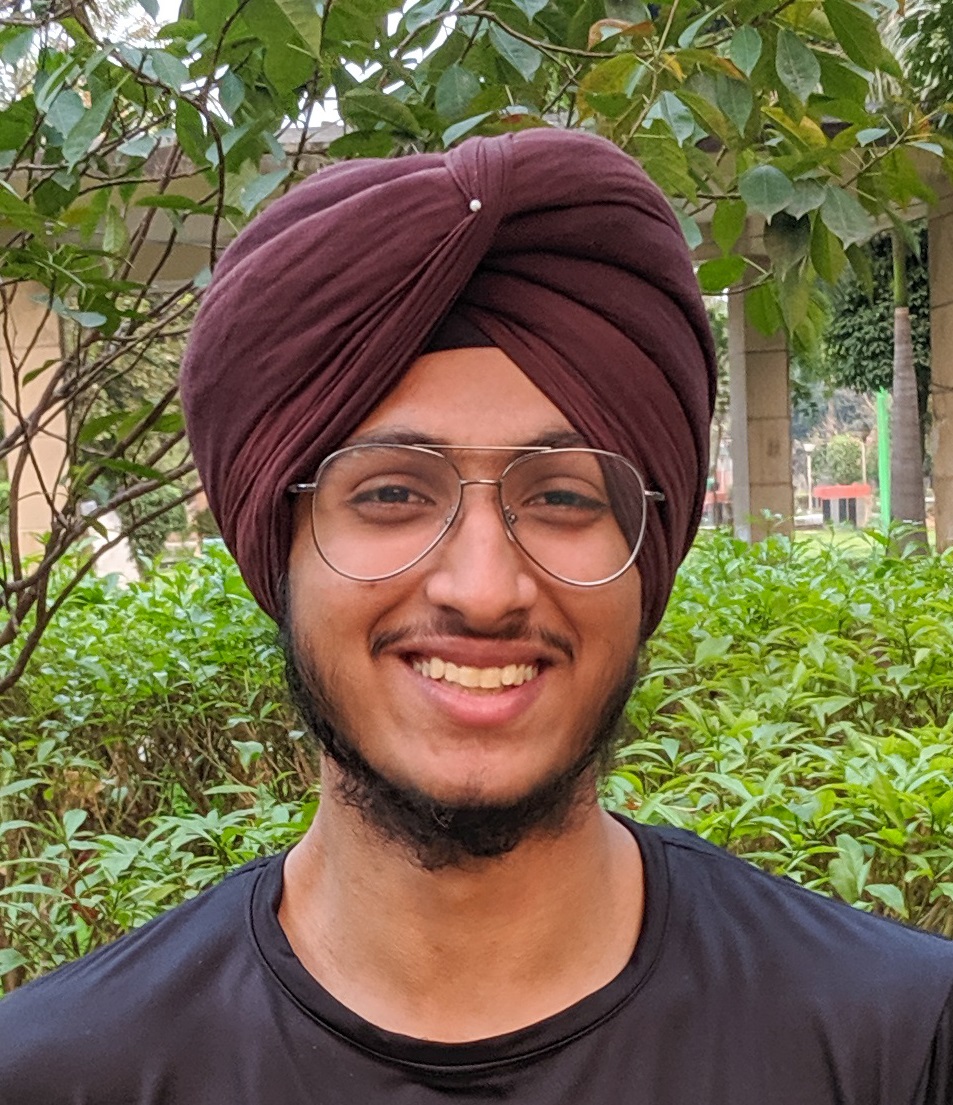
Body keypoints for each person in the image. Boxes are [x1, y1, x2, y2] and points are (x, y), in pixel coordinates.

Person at [1, 127, 951, 1105]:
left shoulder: (897, 1043)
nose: (484, 589)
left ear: (647, 557)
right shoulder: (61, 1074)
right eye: (389, 494)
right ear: (276, 549)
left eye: (563, 496)